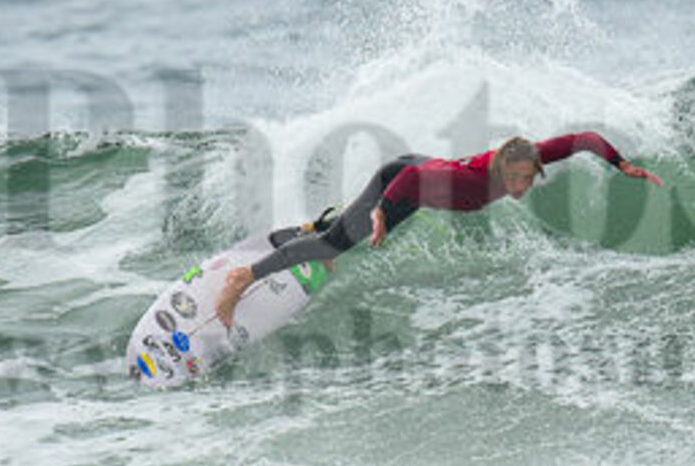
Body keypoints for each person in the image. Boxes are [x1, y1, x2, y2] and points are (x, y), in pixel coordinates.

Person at [213, 133, 663, 328]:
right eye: (517, 179)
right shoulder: (472, 182)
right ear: (502, 169)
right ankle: (243, 278)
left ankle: (314, 228)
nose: (524, 185)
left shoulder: (525, 153)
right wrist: (382, 213)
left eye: (529, 178)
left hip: (420, 176)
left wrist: (621, 164)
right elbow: (410, 180)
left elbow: (583, 139)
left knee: (344, 233)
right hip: (407, 180)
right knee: (336, 245)